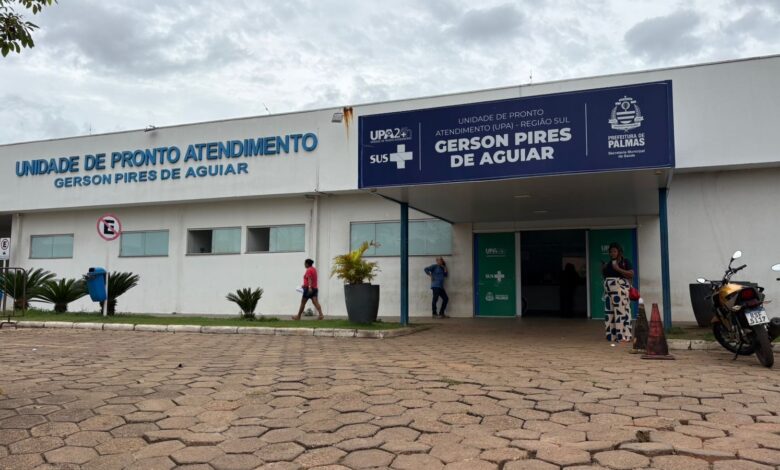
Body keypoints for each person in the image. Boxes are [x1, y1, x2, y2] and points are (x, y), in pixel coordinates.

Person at [601, 242, 634, 343]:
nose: (612, 253)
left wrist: (618, 269)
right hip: (609, 293)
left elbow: (631, 274)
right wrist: (603, 269)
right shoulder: (609, 263)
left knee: (621, 313)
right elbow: (606, 276)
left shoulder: (625, 261)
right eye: (611, 252)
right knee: (610, 314)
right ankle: (611, 335)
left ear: (619, 252)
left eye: (614, 251)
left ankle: (623, 336)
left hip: (620, 293)